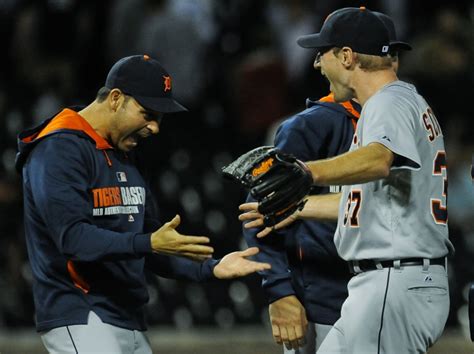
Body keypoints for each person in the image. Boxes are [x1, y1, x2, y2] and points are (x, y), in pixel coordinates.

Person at [16, 54, 271, 354]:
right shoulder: (59, 148)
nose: (155, 127)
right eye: (147, 113)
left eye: (159, 117)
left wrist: (211, 268)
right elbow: (73, 239)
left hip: (128, 316)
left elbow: (149, 245)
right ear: (115, 99)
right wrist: (148, 242)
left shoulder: (126, 152)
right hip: (82, 314)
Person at [240, 7, 453, 353]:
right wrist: (299, 206)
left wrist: (310, 172)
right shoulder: (397, 104)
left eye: (322, 54)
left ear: (347, 56)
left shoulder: (388, 102)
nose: (316, 64)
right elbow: (365, 202)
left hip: (392, 279)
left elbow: (379, 160)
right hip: (393, 280)